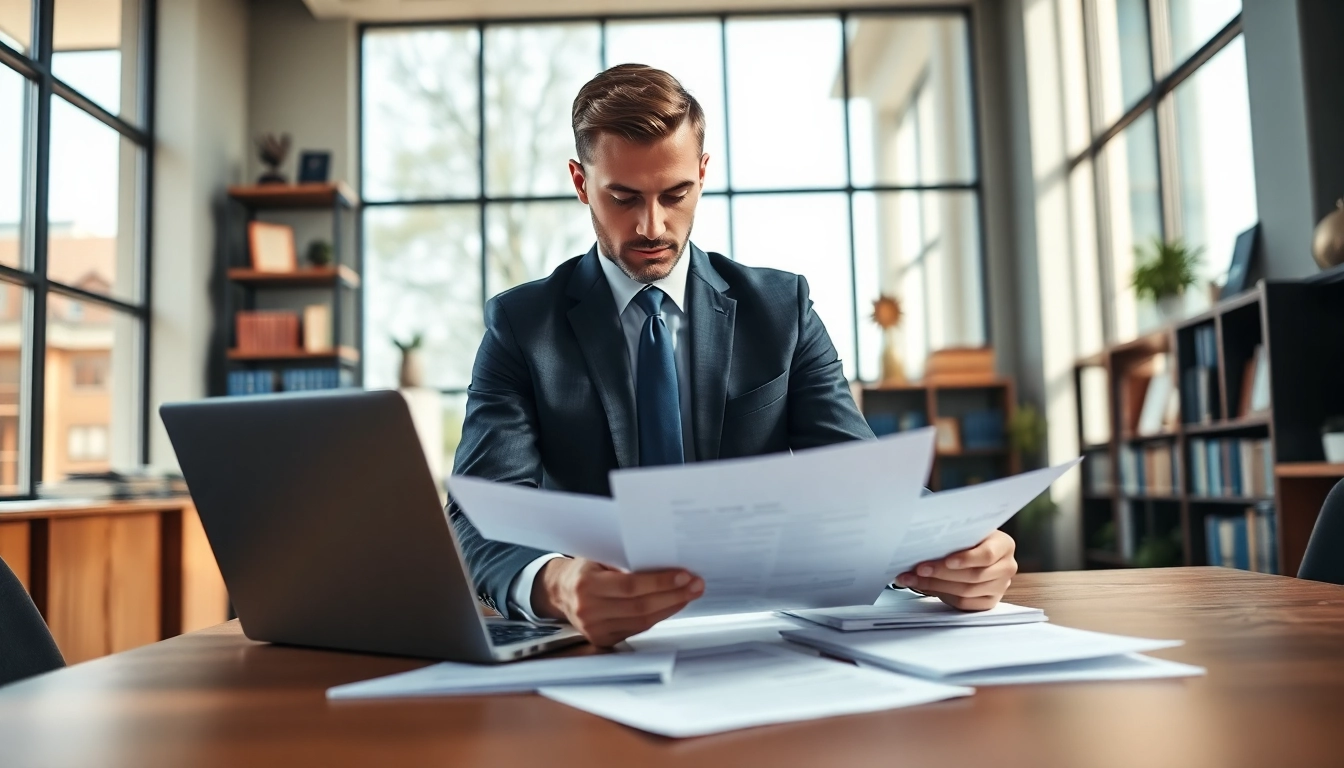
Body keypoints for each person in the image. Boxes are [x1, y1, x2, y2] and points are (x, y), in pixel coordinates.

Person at [448, 64, 1016, 647]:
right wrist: (555, 583)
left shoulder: (782, 309)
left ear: (702, 172)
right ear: (579, 180)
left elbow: (856, 478)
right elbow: (480, 508)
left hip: (760, 640)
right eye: (623, 197)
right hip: (592, 641)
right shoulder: (520, 326)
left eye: (676, 194)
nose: (652, 225)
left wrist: (955, 544)